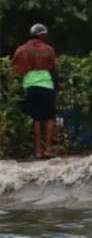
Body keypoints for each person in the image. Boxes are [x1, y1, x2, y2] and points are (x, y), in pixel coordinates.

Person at [11, 23, 60, 160]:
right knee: (50, 118)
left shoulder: (21, 50)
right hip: (46, 85)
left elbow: (15, 67)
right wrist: (58, 84)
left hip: (30, 86)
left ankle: (38, 151)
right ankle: (48, 150)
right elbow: (53, 69)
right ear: (41, 35)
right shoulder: (48, 49)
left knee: (37, 119)